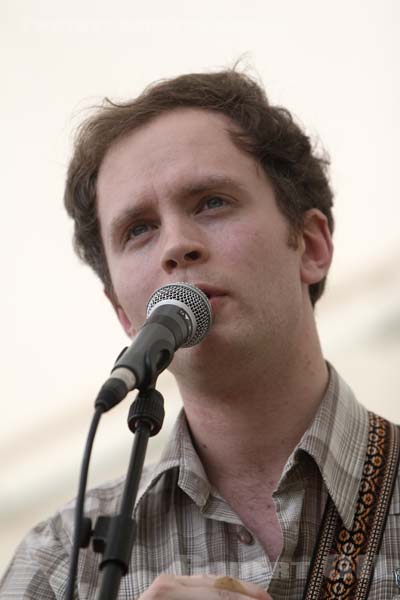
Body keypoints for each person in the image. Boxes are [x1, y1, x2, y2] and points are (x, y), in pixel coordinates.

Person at [1, 69, 399, 600]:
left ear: (309, 246)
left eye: (211, 201)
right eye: (138, 229)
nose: (177, 245)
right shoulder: (58, 564)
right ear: (123, 312)